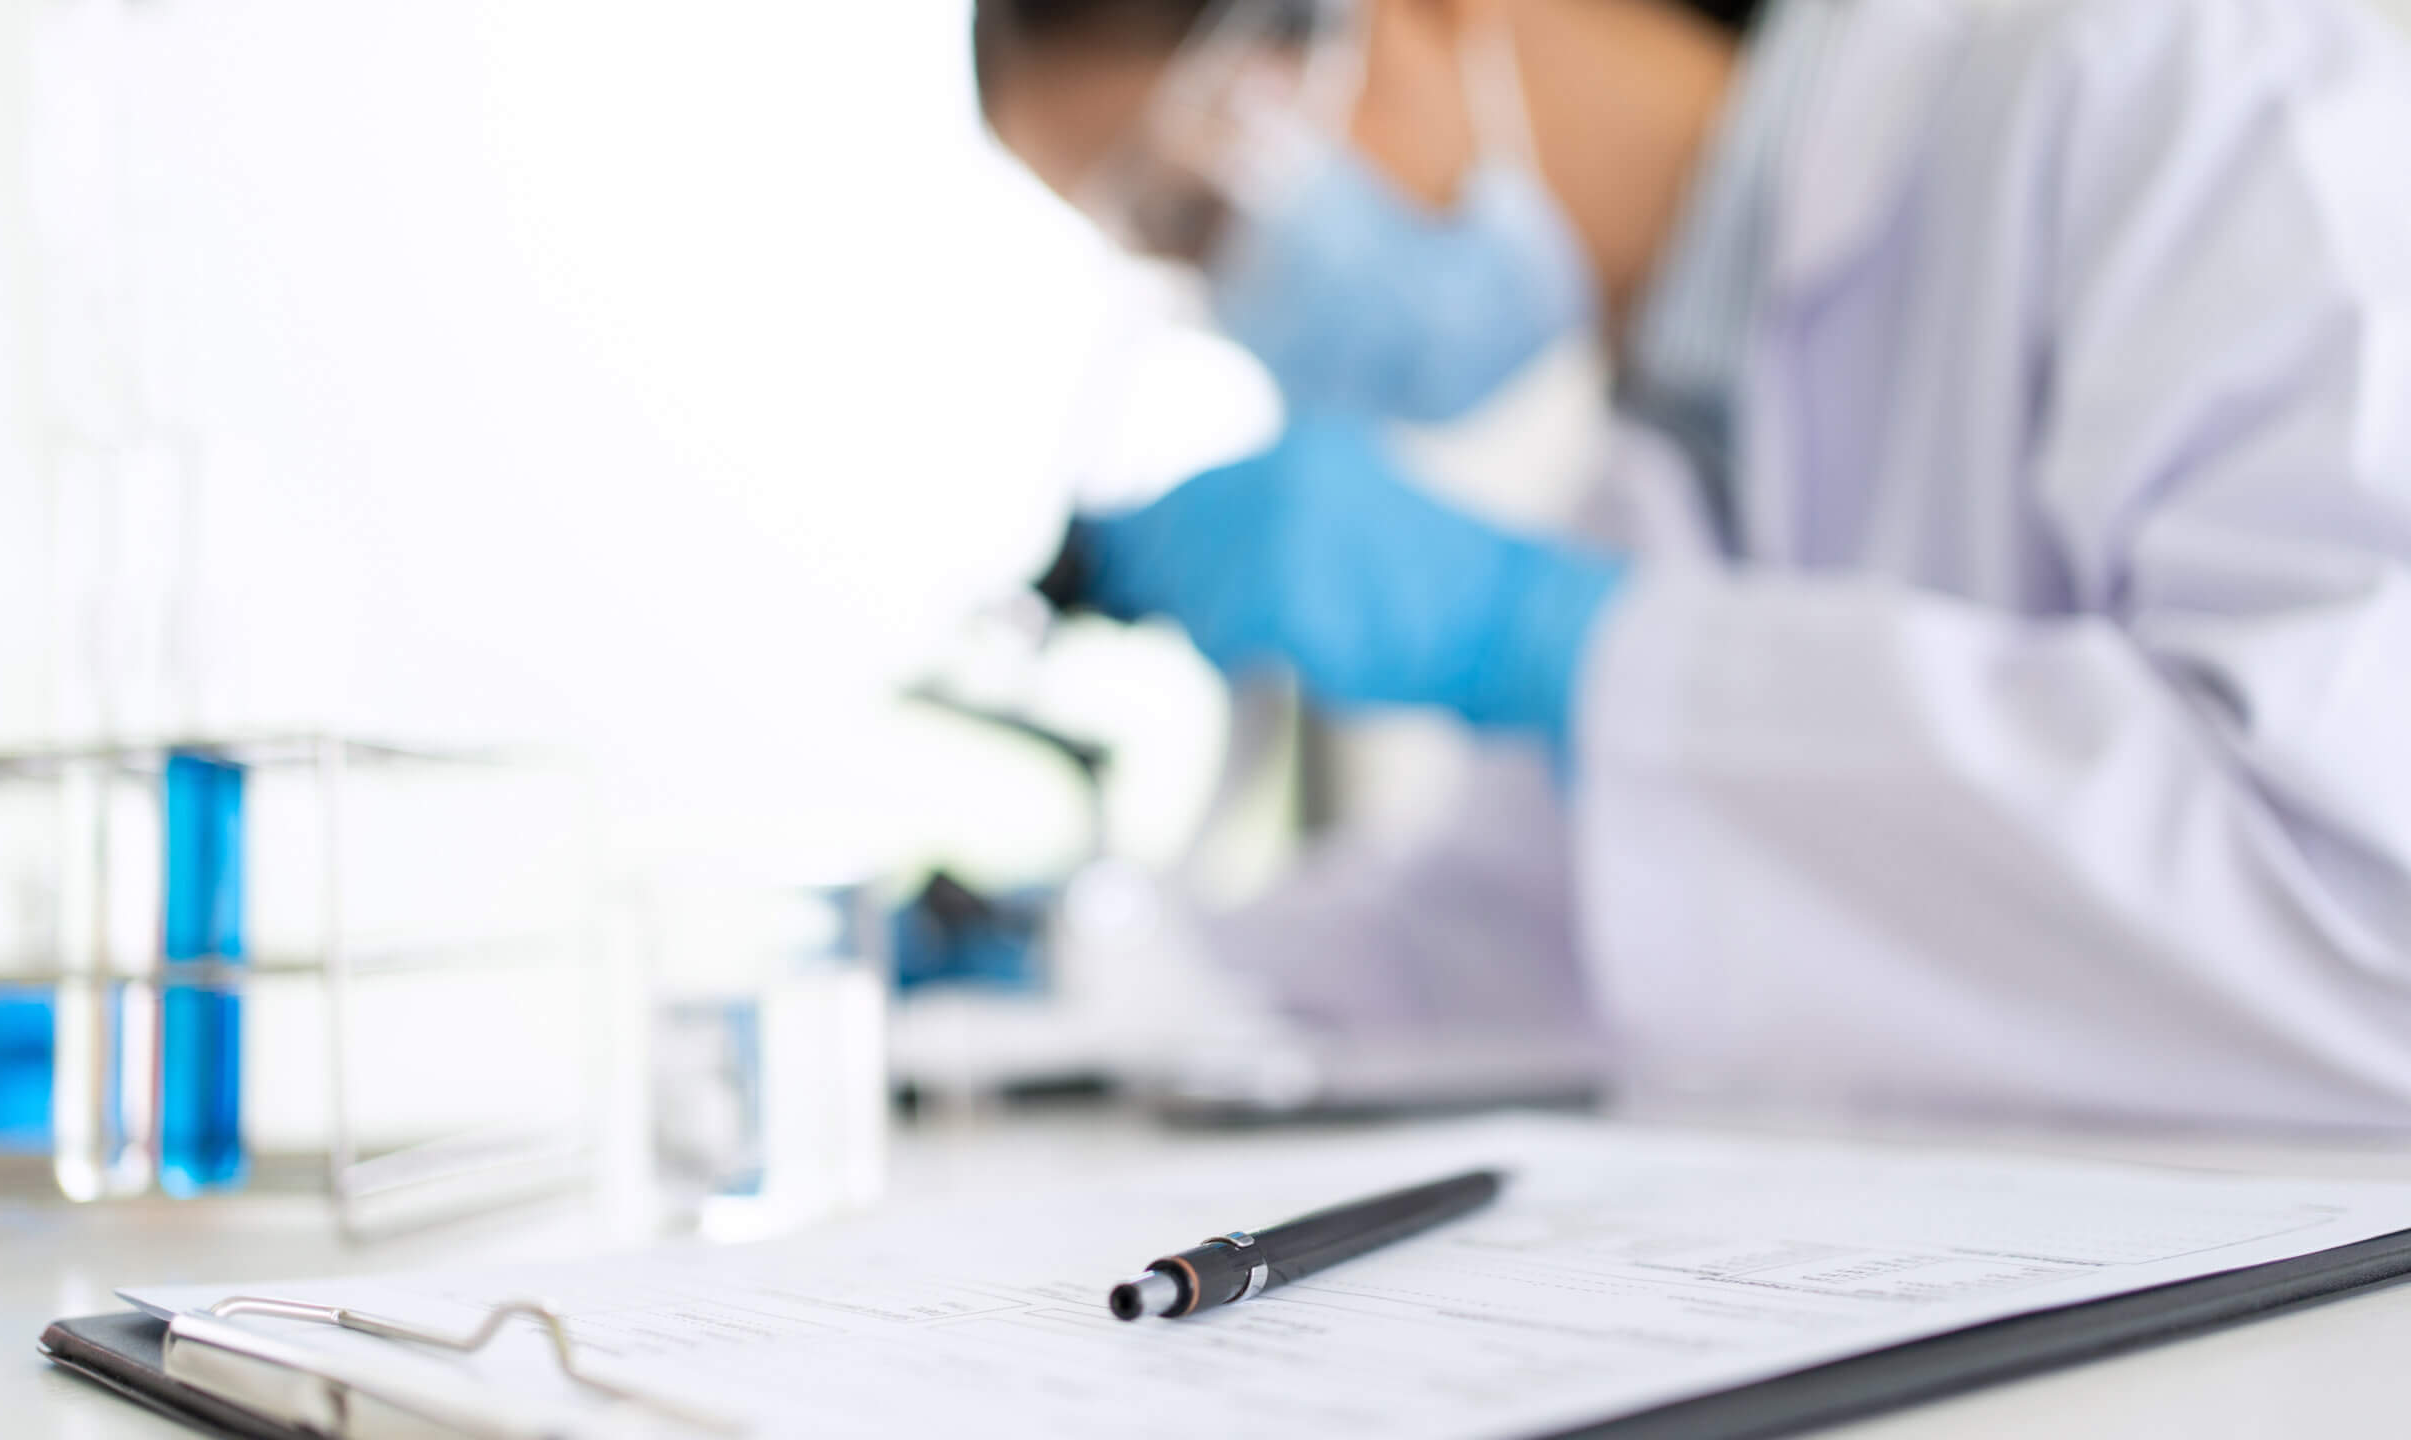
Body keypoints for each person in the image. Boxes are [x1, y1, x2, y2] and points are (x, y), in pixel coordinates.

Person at [975, 0, 2411, 1129]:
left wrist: (1566, 643)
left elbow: (2359, 903)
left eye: (1194, 213)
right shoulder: (1666, 442)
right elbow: (1531, 938)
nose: (1225, 305)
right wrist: (1077, 972)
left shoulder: (2186, 99)